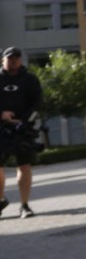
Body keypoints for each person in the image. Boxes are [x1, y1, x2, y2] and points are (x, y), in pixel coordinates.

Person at [0, 46, 43, 219]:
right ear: (3, 60)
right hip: (0, 128)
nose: (14, 61)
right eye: (10, 58)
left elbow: (38, 103)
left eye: (16, 58)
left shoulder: (30, 80)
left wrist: (24, 121)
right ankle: (1, 200)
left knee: (24, 166)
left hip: (23, 128)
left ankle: (24, 206)